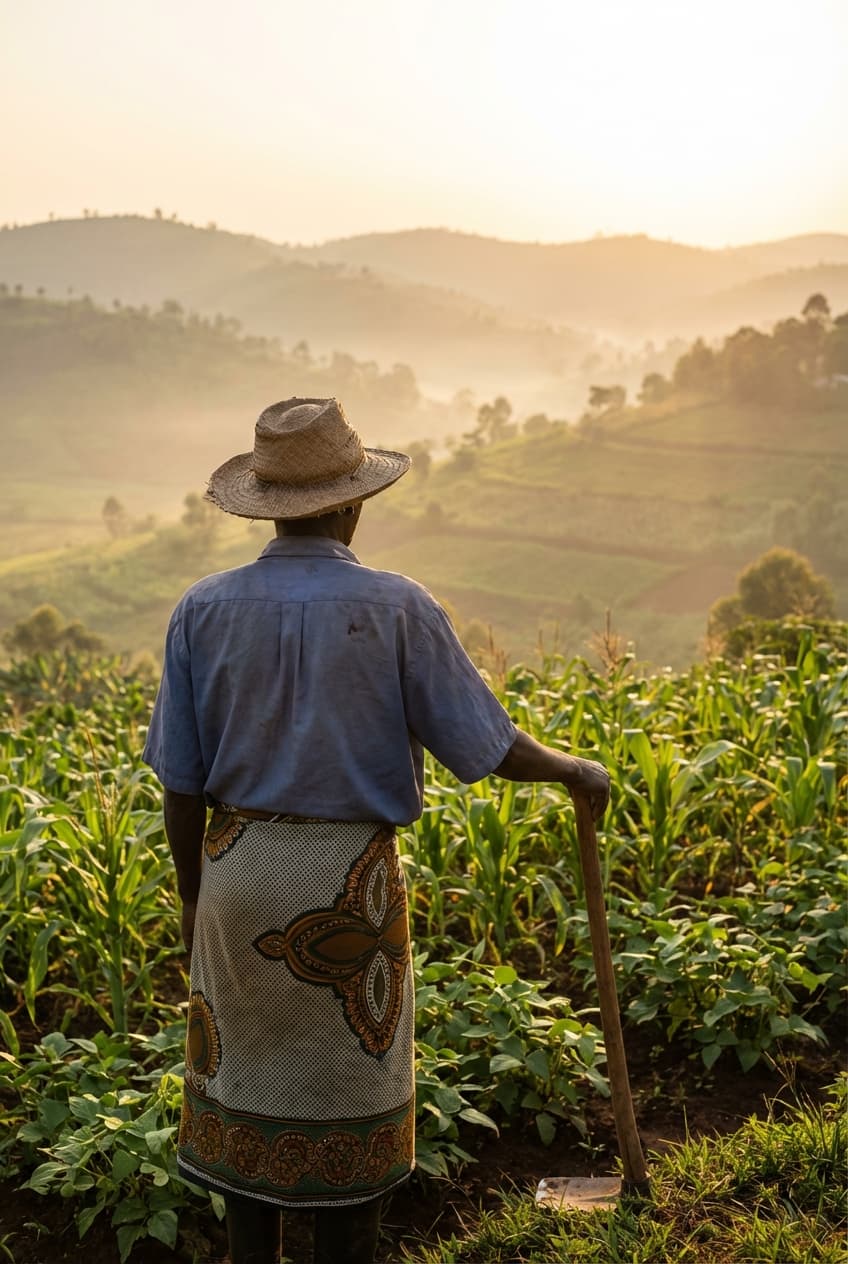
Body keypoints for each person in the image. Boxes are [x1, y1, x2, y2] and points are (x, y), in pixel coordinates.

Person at [143, 397, 609, 1264]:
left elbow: (181, 786)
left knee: (246, 1103)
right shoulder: (396, 607)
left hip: (236, 875)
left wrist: (193, 901)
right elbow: (488, 745)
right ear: (355, 502)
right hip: (346, 880)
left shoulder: (201, 610)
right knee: (347, 1116)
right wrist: (573, 770)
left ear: (267, 508)